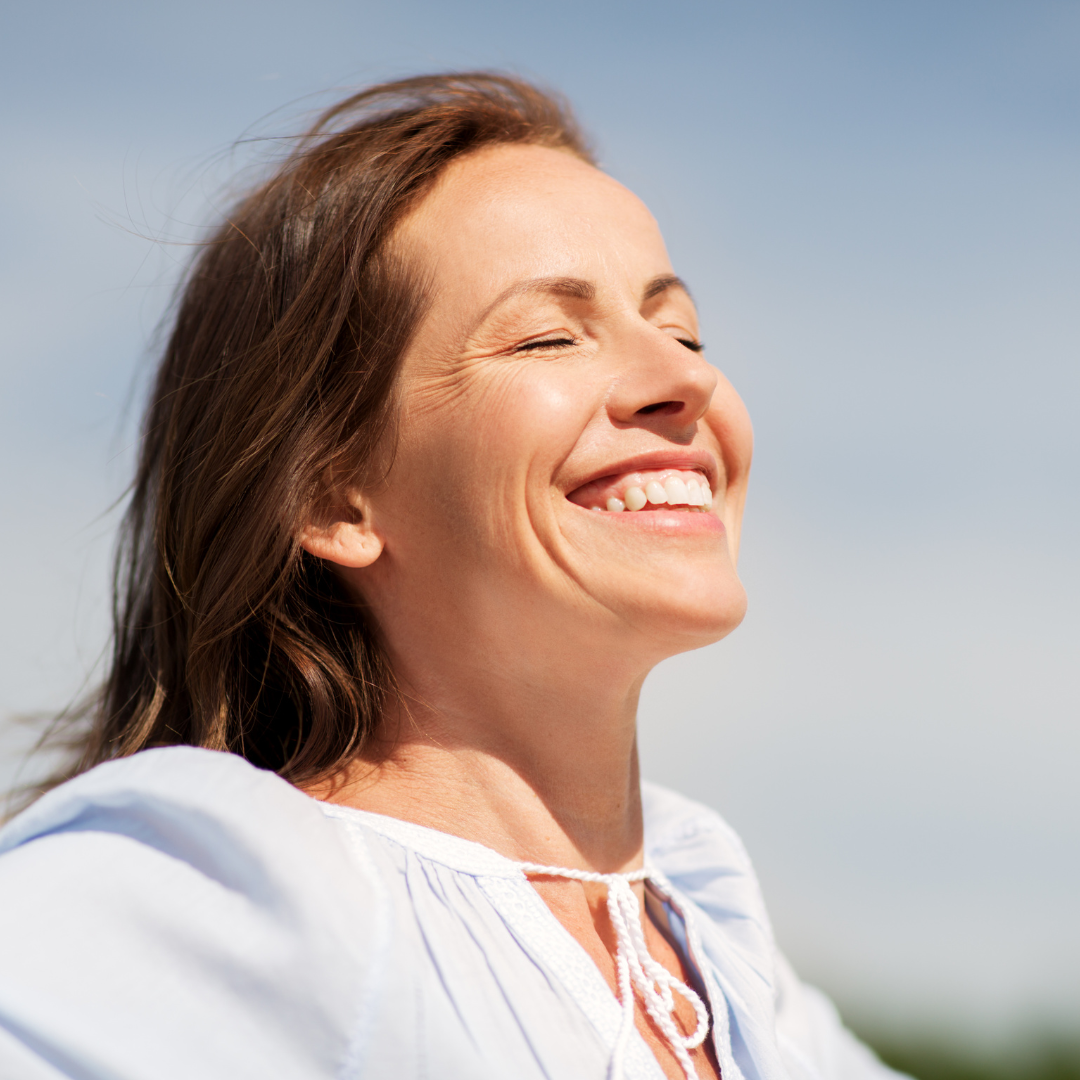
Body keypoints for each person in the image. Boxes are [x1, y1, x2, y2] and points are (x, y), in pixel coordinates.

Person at [0, 74, 906, 1080]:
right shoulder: (247, 889)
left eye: (682, 331)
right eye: (549, 336)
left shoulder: (722, 949)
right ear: (335, 497)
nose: (686, 379)